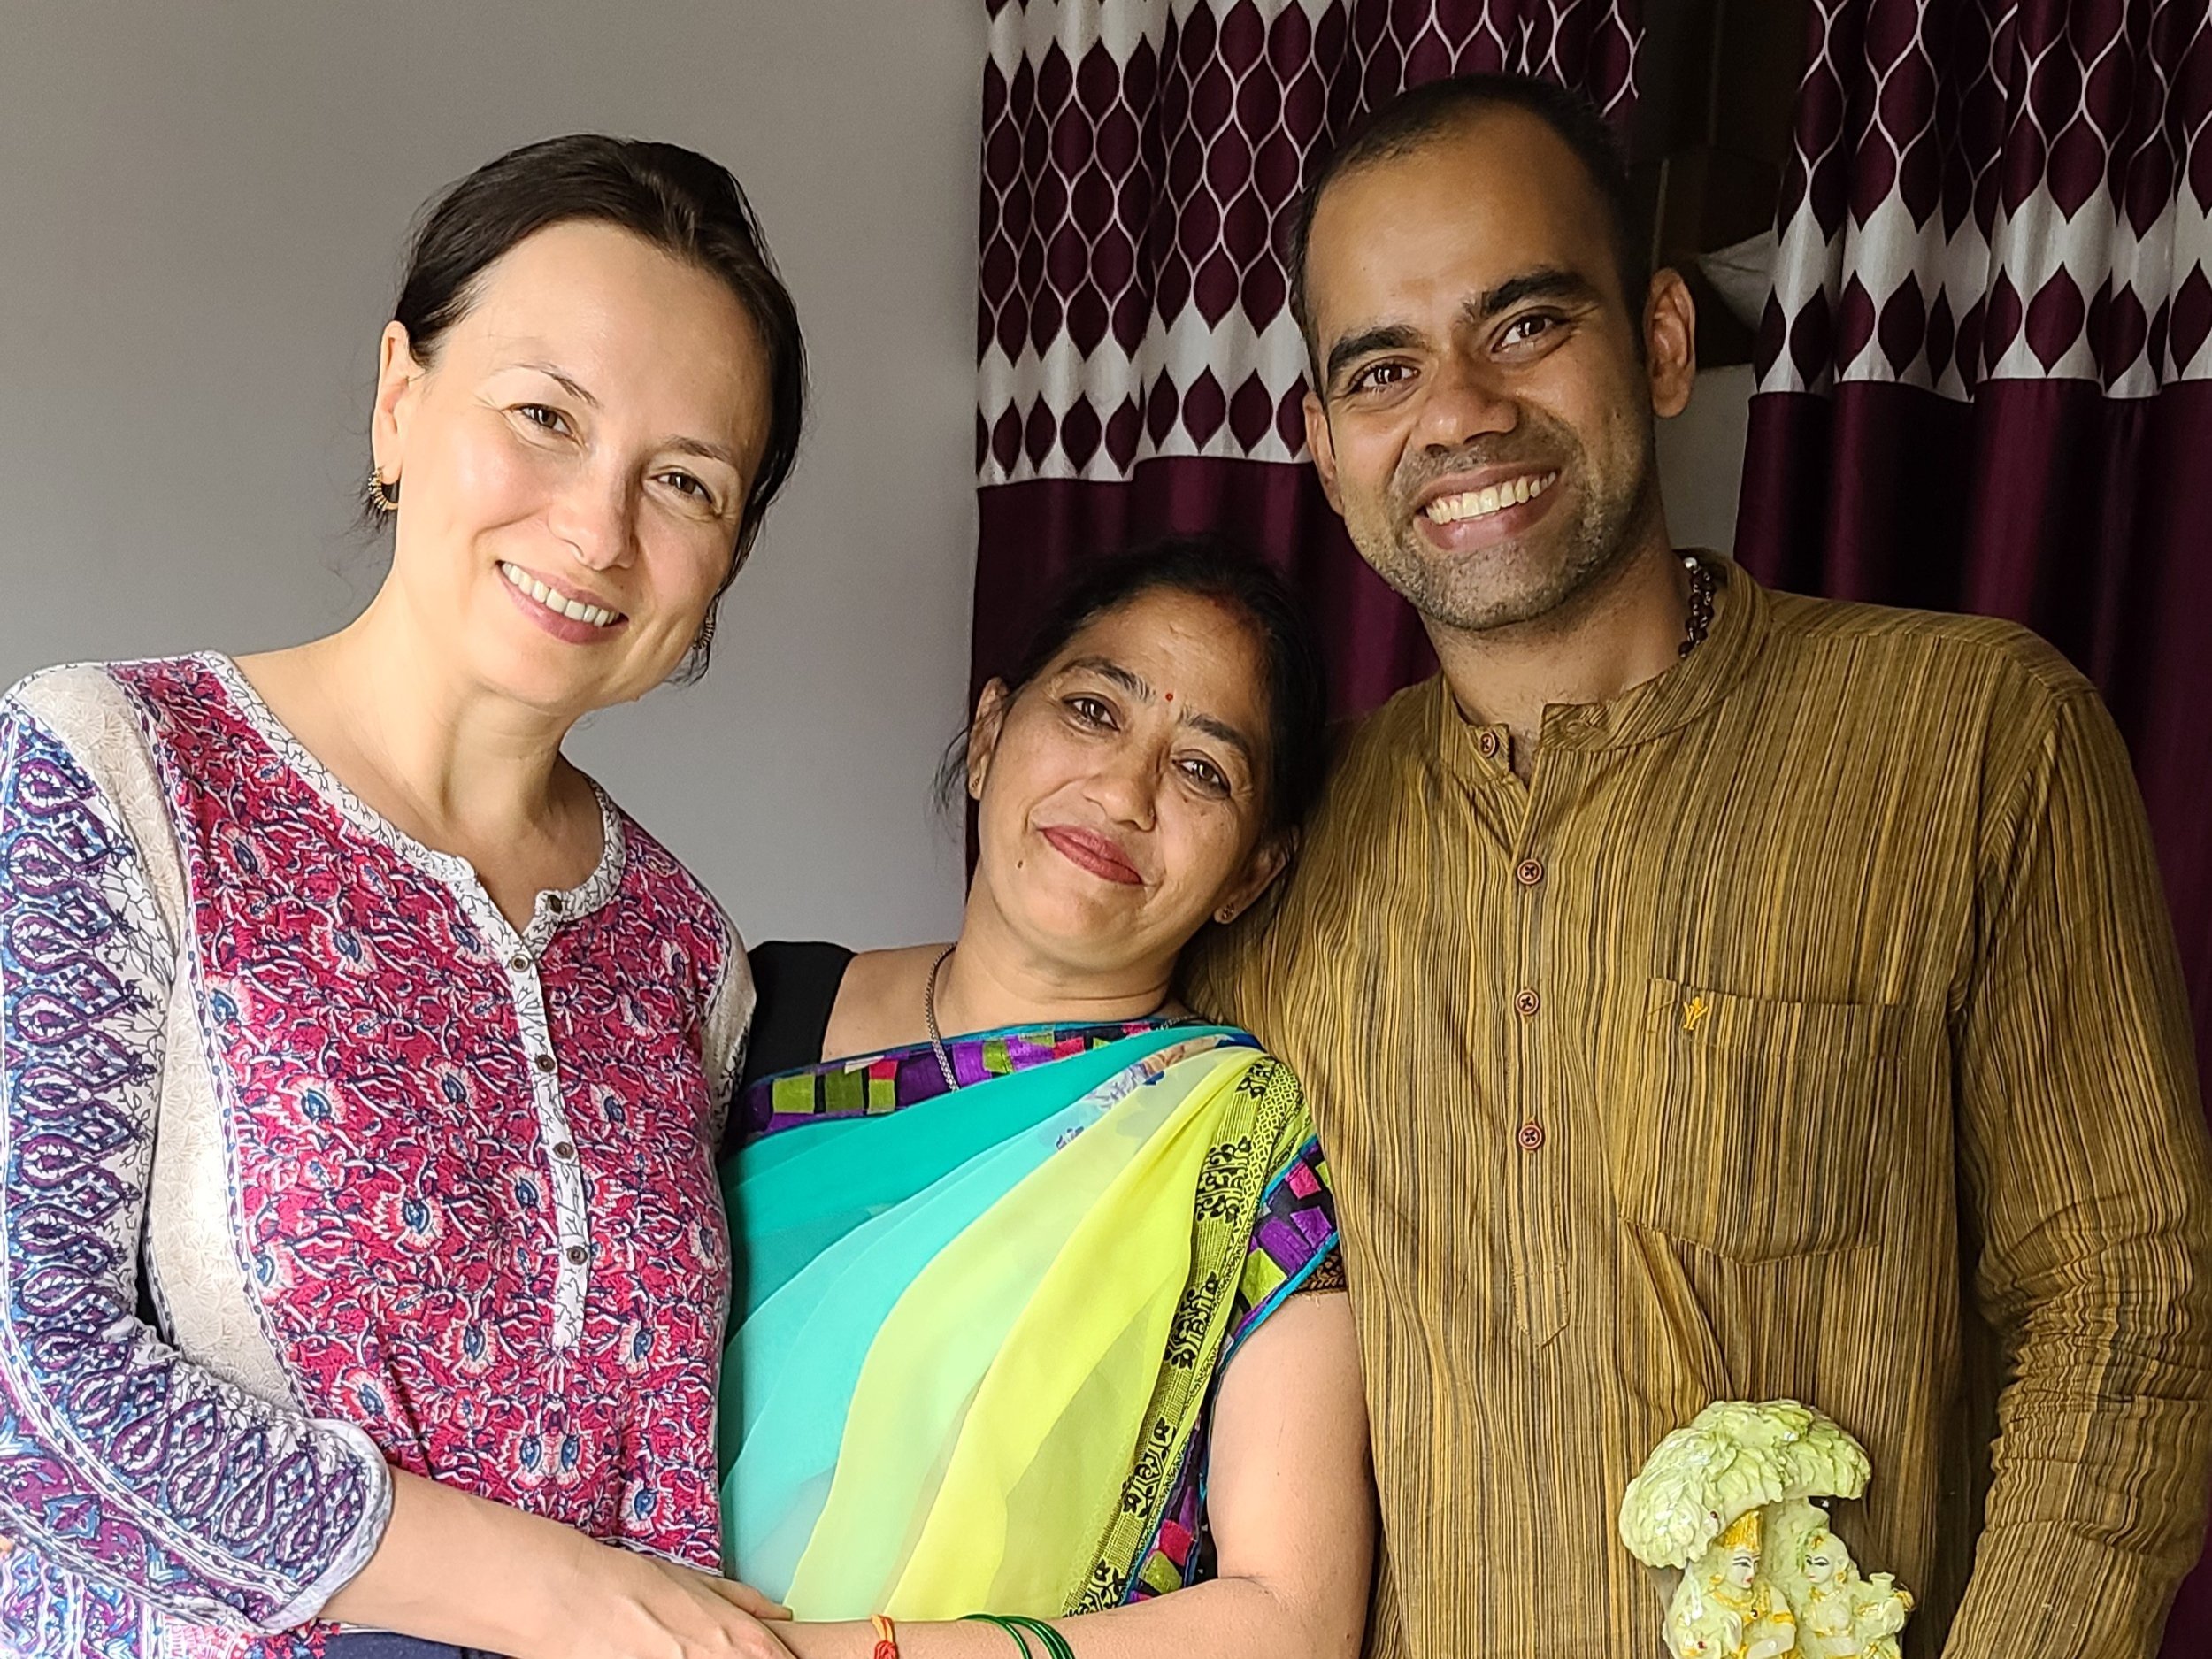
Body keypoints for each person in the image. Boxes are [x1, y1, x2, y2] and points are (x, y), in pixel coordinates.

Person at [1187, 73, 2212, 1657]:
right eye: (1384, 369)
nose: (1459, 412)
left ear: (1660, 342)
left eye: (1526, 323)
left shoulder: (1972, 740)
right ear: (1323, 449)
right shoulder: (1276, 853)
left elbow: (2129, 1310)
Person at [0, 135, 807, 1657]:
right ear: (398, 400)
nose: (598, 528)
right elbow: (25, 1388)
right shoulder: (113, 769)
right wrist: (560, 1591)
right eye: (545, 415)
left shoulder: (682, 949)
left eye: (685, 482)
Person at [718, 537, 1373, 1657]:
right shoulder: (751, 1016)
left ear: (1253, 873)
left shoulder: (1239, 1148)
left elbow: (1292, 1619)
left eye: (1202, 771)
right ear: (987, 735)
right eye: (1092, 711)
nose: (1122, 793)